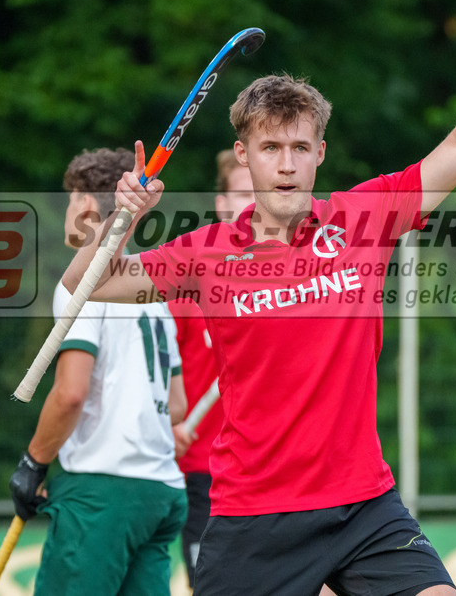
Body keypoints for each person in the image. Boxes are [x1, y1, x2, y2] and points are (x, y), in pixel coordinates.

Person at [64, 0, 456, 595]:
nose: (285, 164)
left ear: (320, 153)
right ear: (244, 154)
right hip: (254, 517)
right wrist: (121, 221)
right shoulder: (203, 254)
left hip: (362, 508)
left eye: (299, 147)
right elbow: (87, 283)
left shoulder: (365, 216)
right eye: (270, 148)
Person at [8, 147, 188, 596]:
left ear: (87, 204)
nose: (69, 208)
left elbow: (71, 393)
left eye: (70, 198)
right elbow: (178, 405)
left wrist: (34, 461)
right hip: (161, 493)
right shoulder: (152, 292)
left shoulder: (84, 285)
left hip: (102, 491)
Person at [170, 149, 254, 587]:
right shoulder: (186, 285)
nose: (251, 203)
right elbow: (157, 377)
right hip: (204, 470)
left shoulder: (288, 276)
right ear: (221, 204)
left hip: (265, 464)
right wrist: (167, 426)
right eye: (241, 194)